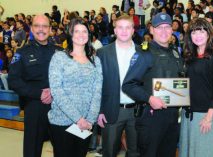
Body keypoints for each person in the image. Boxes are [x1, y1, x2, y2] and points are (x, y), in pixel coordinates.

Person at [122, 12, 184, 157]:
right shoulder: (144, 53)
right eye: (159, 27)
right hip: (151, 117)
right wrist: (149, 99)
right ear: (152, 30)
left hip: (172, 117)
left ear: (172, 30)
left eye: (167, 27)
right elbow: (128, 85)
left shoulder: (175, 53)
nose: (164, 31)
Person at [8, 14, 62, 157]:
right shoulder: (22, 53)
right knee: (32, 150)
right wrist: (38, 93)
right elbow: (13, 80)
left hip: (58, 106)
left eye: (45, 26)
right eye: (37, 26)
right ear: (31, 28)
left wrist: (53, 92)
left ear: (50, 29)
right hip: (34, 106)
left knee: (63, 149)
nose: (41, 29)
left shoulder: (60, 52)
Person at [48, 18, 103, 157]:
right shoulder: (59, 58)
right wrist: (78, 119)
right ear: (71, 34)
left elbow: (97, 91)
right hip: (62, 121)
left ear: (89, 35)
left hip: (86, 124)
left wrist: (90, 119)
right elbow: (57, 91)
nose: (81, 34)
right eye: (76, 31)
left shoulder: (95, 60)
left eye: (84, 31)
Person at [179, 18, 213, 157]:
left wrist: (209, 117)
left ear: (208, 33)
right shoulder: (189, 56)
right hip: (189, 115)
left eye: (201, 31)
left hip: (207, 115)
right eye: (194, 32)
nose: (197, 35)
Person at [96, 15, 139, 157]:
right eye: (120, 27)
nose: (124, 31)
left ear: (133, 30)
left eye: (128, 27)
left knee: (136, 152)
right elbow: (98, 83)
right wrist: (100, 110)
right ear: (115, 30)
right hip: (112, 110)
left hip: (137, 112)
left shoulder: (143, 52)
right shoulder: (103, 53)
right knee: (109, 152)